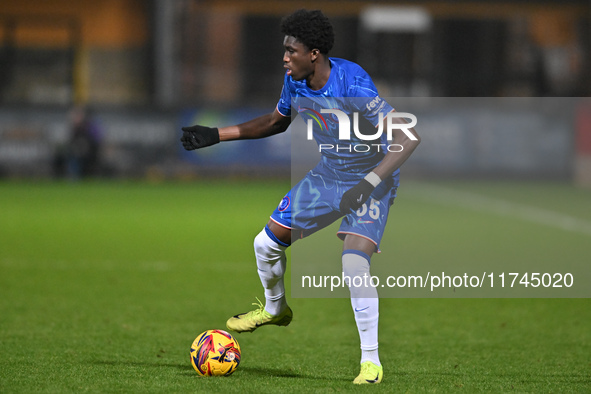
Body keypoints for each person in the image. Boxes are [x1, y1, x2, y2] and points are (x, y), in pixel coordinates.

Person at [181, 9, 420, 384]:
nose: (284, 57)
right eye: (285, 50)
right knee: (265, 244)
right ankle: (276, 309)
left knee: (354, 264)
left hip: (372, 179)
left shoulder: (353, 84)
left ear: (314, 54)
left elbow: (407, 139)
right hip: (330, 176)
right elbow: (277, 122)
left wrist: (369, 182)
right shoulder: (295, 81)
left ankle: (371, 363)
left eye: (291, 51)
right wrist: (216, 134)